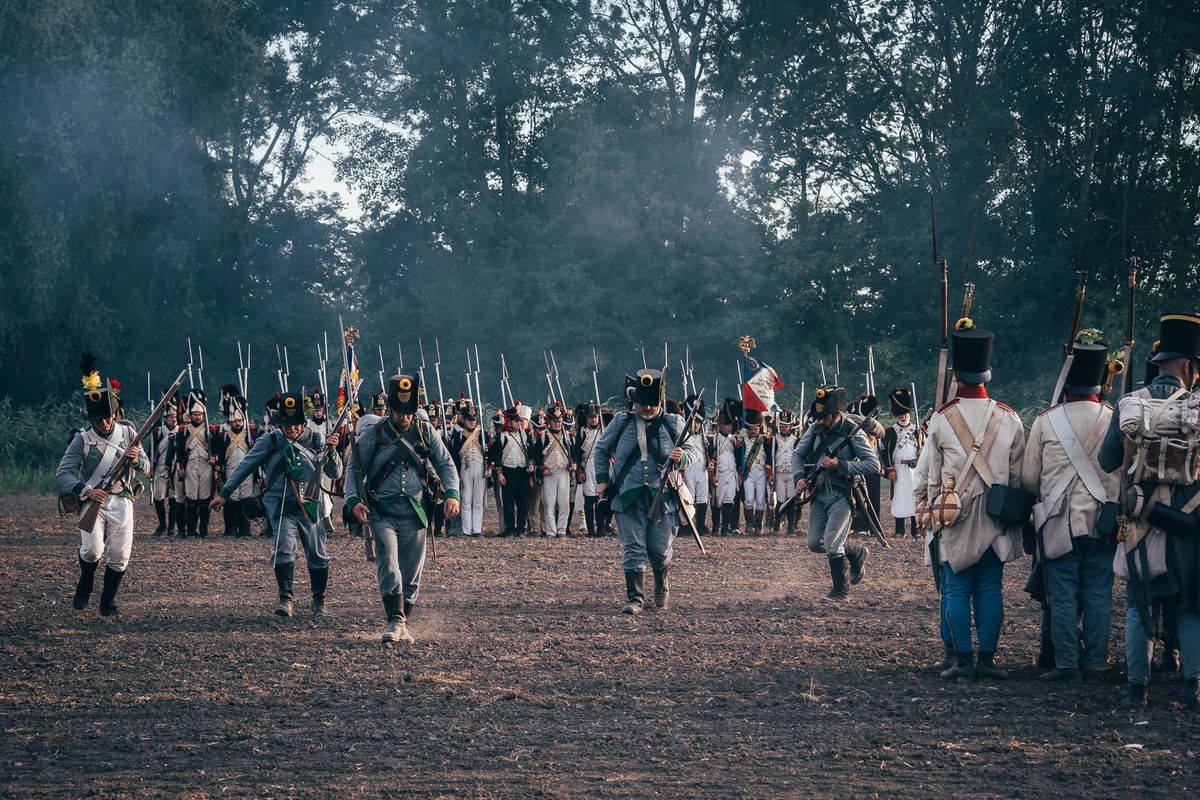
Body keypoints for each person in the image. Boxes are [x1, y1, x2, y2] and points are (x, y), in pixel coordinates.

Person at [914, 319, 1025, 681]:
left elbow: (929, 474)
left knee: (957, 587)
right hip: (995, 513)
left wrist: (928, 510)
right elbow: (1020, 475)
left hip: (953, 513)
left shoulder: (942, 419)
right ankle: (988, 661)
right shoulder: (1009, 417)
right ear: (987, 375)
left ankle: (963, 661)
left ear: (956, 376)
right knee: (991, 587)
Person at [1099, 311, 1200, 708]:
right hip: (1187, 523)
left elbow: (1108, 460)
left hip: (1138, 518)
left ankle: (1136, 689)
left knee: (1141, 609)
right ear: (1189, 367)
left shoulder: (1128, 404)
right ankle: (1193, 688)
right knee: (1191, 609)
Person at [1022, 333, 1120, 683]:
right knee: (1097, 595)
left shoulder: (1048, 420)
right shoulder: (1114, 416)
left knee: (1061, 596)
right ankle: (1095, 665)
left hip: (1058, 522)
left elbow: (1030, 479)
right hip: (1103, 521)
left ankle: (1066, 665)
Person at [345, 373, 460, 644]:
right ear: (391, 409)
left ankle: (403, 621)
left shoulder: (424, 430)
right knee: (388, 562)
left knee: (411, 573)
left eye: (409, 412)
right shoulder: (374, 433)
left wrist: (452, 494)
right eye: (399, 412)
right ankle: (394, 620)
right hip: (382, 511)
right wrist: (353, 500)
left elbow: (445, 464)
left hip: (416, 511)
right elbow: (354, 468)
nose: (405, 417)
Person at [212, 390, 342, 618]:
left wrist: (332, 453)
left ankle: (318, 600)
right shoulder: (270, 441)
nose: (292, 428)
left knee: (317, 554)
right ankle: (286, 598)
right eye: (287, 424)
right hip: (281, 505)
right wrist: (225, 492)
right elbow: (246, 466)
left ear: (303, 422)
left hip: (311, 505)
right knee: (283, 549)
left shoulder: (318, 439)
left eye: (296, 424)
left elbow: (335, 472)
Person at [594, 369, 704, 614]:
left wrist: (683, 457)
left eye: (651, 404)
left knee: (658, 549)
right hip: (628, 496)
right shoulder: (621, 422)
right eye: (641, 404)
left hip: (663, 497)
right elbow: (601, 450)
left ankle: (661, 581)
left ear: (660, 402)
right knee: (633, 547)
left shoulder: (674, 422)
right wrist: (602, 481)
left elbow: (696, 451)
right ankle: (635, 598)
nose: (646, 408)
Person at [56, 355, 149, 616]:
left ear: (114, 413)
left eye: (108, 417)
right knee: (92, 550)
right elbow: (63, 474)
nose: (105, 423)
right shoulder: (82, 440)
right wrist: (86, 490)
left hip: (122, 499)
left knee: (119, 555)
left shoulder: (129, 433)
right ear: (91, 418)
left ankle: (107, 601)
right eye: (99, 419)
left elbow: (147, 467)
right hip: (92, 500)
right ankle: (85, 584)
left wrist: (136, 461)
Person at [791, 386, 879, 602]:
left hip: (844, 493)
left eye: (824, 418)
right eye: (818, 418)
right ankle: (855, 553)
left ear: (836, 414)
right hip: (819, 493)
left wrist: (841, 465)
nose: (820, 421)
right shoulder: (815, 428)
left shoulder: (853, 431)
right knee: (814, 543)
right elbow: (797, 455)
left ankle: (840, 591)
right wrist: (799, 478)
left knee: (831, 543)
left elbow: (873, 465)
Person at [213, 385, 256, 538]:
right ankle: (230, 528)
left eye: (239, 420)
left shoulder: (250, 434)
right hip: (231, 469)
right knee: (232, 499)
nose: (237, 423)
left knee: (246, 498)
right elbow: (218, 453)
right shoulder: (223, 435)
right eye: (234, 421)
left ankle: (245, 529)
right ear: (230, 422)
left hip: (248, 470)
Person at [882, 388, 923, 539]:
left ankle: (915, 529)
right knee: (899, 498)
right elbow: (885, 452)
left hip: (914, 469)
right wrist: (890, 469)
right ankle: (899, 530)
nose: (903, 416)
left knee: (915, 498)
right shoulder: (890, 431)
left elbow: (923, 448)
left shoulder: (918, 430)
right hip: (898, 468)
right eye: (901, 414)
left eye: (905, 413)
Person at [176, 389, 216, 538]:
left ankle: (204, 530)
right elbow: (179, 451)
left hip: (206, 465)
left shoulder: (210, 429)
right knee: (191, 499)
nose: (198, 417)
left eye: (200, 415)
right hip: (190, 465)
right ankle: (191, 530)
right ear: (190, 415)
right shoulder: (184, 430)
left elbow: (216, 447)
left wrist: (215, 459)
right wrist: (180, 467)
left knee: (205, 499)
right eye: (195, 415)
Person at [489, 407, 532, 536]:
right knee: (508, 502)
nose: (519, 423)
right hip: (508, 471)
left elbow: (530, 452)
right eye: (515, 421)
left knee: (522, 502)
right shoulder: (502, 436)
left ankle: (520, 529)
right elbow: (497, 457)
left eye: (519, 421)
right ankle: (510, 529)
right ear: (509, 421)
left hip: (522, 471)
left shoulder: (524, 435)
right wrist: (499, 473)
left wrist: (532, 463)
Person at [533, 403, 574, 537]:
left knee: (564, 504)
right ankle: (551, 531)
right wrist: (541, 467)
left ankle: (561, 530)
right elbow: (537, 454)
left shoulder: (568, 436)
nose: (557, 424)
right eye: (555, 421)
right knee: (548, 504)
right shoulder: (543, 436)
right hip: (548, 473)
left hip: (564, 472)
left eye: (559, 421)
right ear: (549, 421)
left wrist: (574, 464)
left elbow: (574, 453)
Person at [447, 403, 486, 537]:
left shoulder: (483, 435)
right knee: (466, 500)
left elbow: (489, 453)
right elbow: (454, 455)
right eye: (469, 420)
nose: (471, 422)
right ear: (464, 420)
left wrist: (490, 467)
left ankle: (477, 530)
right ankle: (467, 529)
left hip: (480, 468)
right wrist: (456, 472)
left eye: (473, 420)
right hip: (465, 468)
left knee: (478, 501)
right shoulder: (458, 435)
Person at [305, 389, 337, 536]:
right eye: (316, 410)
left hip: (326, 460)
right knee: (312, 492)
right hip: (312, 460)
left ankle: (328, 522)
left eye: (320, 410)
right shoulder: (308, 424)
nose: (318, 413)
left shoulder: (330, 424)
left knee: (327, 492)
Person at [574, 403, 605, 537]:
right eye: (591, 417)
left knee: (601, 498)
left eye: (595, 417)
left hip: (602, 465)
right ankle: (591, 531)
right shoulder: (581, 432)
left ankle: (601, 529)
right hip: (587, 465)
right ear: (587, 418)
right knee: (589, 500)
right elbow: (576, 452)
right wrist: (579, 469)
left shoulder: (605, 430)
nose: (593, 420)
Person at [680, 396, 711, 535]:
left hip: (702, 469)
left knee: (702, 499)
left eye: (699, 422)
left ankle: (701, 525)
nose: (696, 425)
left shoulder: (704, 436)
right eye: (694, 422)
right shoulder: (684, 436)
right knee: (689, 499)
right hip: (689, 469)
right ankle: (687, 526)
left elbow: (708, 452)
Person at [739, 409, 772, 535]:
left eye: (755, 428)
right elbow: (738, 453)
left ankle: (758, 524)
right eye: (751, 429)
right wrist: (740, 439)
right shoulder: (743, 439)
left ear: (759, 427)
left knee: (760, 500)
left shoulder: (765, 440)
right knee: (748, 499)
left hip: (761, 472)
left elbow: (769, 455)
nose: (753, 431)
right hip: (748, 472)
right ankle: (748, 523)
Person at [712, 400, 741, 535]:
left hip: (731, 473)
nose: (729, 427)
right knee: (717, 500)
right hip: (719, 473)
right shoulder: (714, 439)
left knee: (729, 500)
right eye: (726, 425)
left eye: (730, 425)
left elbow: (739, 455)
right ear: (720, 425)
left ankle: (725, 528)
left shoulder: (734, 439)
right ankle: (716, 527)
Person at [150, 403, 178, 536]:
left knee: (174, 497)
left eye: (175, 416)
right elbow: (152, 450)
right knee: (158, 496)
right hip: (161, 466)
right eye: (171, 417)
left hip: (175, 467)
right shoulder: (159, 431)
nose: (173, 419)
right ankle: (162, 524)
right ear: (165, 418)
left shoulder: (181, 430)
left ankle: (171, 527)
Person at [771, 410, 799, 535]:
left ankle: (791, 527)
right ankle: (777, 524)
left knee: (791, 500)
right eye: (782, 425)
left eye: (786, 425)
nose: (784, 428)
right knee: (781, 500)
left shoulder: (796, 440)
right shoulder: (773, 440)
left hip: (792, 473)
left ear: (790, 426)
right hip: (779, 473)